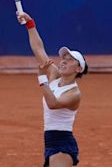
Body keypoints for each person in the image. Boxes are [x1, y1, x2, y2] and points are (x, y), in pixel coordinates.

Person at [17, 12, 88, 167]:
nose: (63, 62)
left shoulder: (74, 93)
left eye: (70, 60)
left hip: (63, 144)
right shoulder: (54, 76)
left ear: (78, 69)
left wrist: (42, 79)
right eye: (64, 58)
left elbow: (53, 103)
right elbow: (38, 50)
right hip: (50, 142)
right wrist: (30, 24)